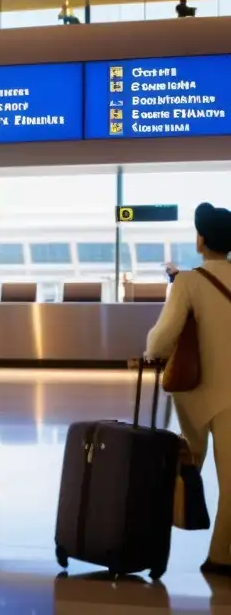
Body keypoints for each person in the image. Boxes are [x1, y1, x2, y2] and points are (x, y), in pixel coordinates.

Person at [145, 202, 231, 576]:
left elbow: (163, 339)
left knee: (183, 464)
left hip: (195, 395)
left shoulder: (189, 281)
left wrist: (150, 353)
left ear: (201, 241)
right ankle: (222, 556)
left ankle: (148, 539)